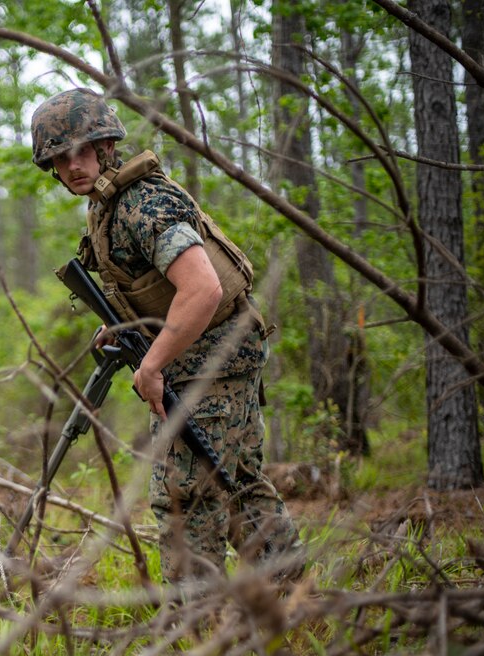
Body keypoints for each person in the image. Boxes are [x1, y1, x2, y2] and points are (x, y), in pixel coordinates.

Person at [31, 88, 303, 582]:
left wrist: (151, 365)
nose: (73, 164)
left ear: (106, 144)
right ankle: (293, 599)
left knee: (185, 498)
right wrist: (123, 327)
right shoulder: (106, 208)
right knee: (238, 483)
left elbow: (201, 290)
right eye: (60, 156)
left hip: (213, 360)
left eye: (83, 149)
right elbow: (159, 289)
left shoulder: (143, 203)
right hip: (208, 355)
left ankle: (196, 629)